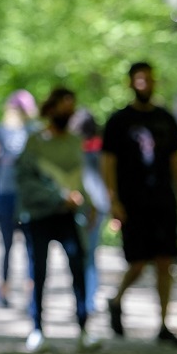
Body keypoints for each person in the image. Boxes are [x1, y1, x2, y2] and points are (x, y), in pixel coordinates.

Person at [103, 61, 177, 346]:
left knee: (165, 260)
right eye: (139, 80)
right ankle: (116, 301)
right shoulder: (118, 121)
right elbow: (108, 162)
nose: (144, 84)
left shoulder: (165, 118)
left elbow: (175, 159)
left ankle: (164, 324)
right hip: (133, 202)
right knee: (138, 262)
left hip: (163, 199)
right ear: (130, 83)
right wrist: (113, 200)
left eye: (149, 80)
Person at [15, 87, 99, 353]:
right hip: (39, 217)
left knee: (78, 267)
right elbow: (26, 182)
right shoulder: (34, 142)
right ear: (50, 109)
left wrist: (90, 203)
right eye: (63, 106)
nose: (68, 112)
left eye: (71, 107)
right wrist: (58, 197)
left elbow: (80, 179)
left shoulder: (75, 142)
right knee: (38, 271)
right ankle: (37, 328)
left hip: (68, 218)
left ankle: (84, 327)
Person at [0, 89, 38, 308]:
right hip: (29, 194)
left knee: (6, 244)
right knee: (31, 245)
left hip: (3, 193)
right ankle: (32, 294)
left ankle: (3, 291)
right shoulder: (35, 132)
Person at [70, 107, 112, 315]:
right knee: (90, 253)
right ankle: (88, 298)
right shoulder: (101, 147)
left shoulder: (81, 149)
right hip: (98, 204)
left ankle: (86, 298)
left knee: (85, 253)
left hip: (86, 204)